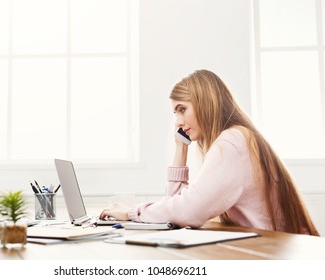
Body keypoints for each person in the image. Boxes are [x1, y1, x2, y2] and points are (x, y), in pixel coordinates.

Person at [99, 69, 319, 236]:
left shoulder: (233, 141)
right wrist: (181, 148)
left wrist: (132, 213)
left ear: (205, 103)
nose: (177, 122)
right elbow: (177, 213)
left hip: (278, 256)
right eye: (175, 113)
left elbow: (188, 212)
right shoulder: (237, 138)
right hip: (271, 248)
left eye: (182, 109)